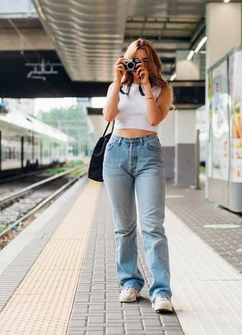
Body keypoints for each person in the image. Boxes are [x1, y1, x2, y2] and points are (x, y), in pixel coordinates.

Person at [102, 38, 174, 313]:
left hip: (149, 154)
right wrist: (118, 81)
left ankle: (161, 292)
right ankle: (129, 283)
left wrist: (145, 86)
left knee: (153, 226)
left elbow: (154, 119)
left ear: (153, 63)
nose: (139, 65)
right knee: (124, 226)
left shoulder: (162, 89)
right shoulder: (116, 87)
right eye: (134, 59)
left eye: (144, 60)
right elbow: (109, 114)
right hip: (116, 153)